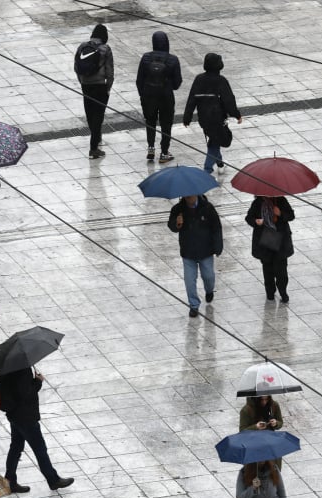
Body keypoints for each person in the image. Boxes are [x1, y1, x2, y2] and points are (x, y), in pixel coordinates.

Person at [0, 367, 74, 492]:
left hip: (14, 415)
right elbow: (25, 394)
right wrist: (38, 381)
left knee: (16, 447)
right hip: (26, 418)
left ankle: (10, 481)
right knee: (40, 449)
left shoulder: (7, 369)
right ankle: (53, 480)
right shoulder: (22, 370)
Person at [182, 53, 242, 174]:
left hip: (204, 119)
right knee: (214, 143)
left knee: (214, 139)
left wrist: (187, 117)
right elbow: (229, 100)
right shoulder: (221, 81)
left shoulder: (199, 79)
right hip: (217, 118)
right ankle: (207, 170)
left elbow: (191, 99)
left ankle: (220, 164)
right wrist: (236, 115)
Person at [167, 194, 223, 317]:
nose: (189, 199)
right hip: (188, 252)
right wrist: (177, 224)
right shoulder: (178, 209)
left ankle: (209, 291)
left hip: (206, 251)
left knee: (208, 276)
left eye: (191, 197)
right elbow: (171, 226)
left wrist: (218, 246)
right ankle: (193, 305)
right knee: (189, 281)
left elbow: (216, 228)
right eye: (186, 197)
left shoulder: (207, 208)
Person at [136, 31, 182, 163]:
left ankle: (151, 148)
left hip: (148, 96)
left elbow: (139, 80)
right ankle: (164, 153)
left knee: (150, 122)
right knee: (166, 124)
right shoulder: (173, 59)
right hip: (166, 96)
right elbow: (177, 83)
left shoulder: (146, 58)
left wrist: (142, 95)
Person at [244, 195, 294, 303]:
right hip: (264, 241)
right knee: (268, 269)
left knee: (281, 270)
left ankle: (283, 292)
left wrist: (280, 213)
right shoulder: (258, 203)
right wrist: (256, 221)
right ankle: (270, 292)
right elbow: (249, 217)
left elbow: (291, 215)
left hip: (280, 241)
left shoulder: (281, 200)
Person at [75, 23, 114, 160]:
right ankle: (94, 147)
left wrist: (82, 82)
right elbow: (109, 70)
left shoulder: (82, 46)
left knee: (90, 114)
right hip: (100, 86)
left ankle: (96, 138)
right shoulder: (105, 49)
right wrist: (108, 87)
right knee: (99, 115)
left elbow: (76, 67)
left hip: (86, 85)